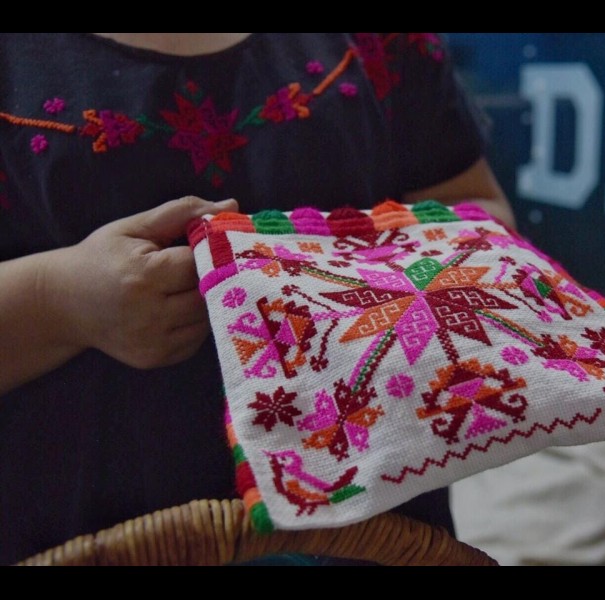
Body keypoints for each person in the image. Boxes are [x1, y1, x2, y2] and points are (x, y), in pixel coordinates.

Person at [0, 33, 515, 565]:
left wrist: (363, 280)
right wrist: (57, 299)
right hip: (76, 530)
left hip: (384, 531)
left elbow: (480, 211)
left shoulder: (382, 44)